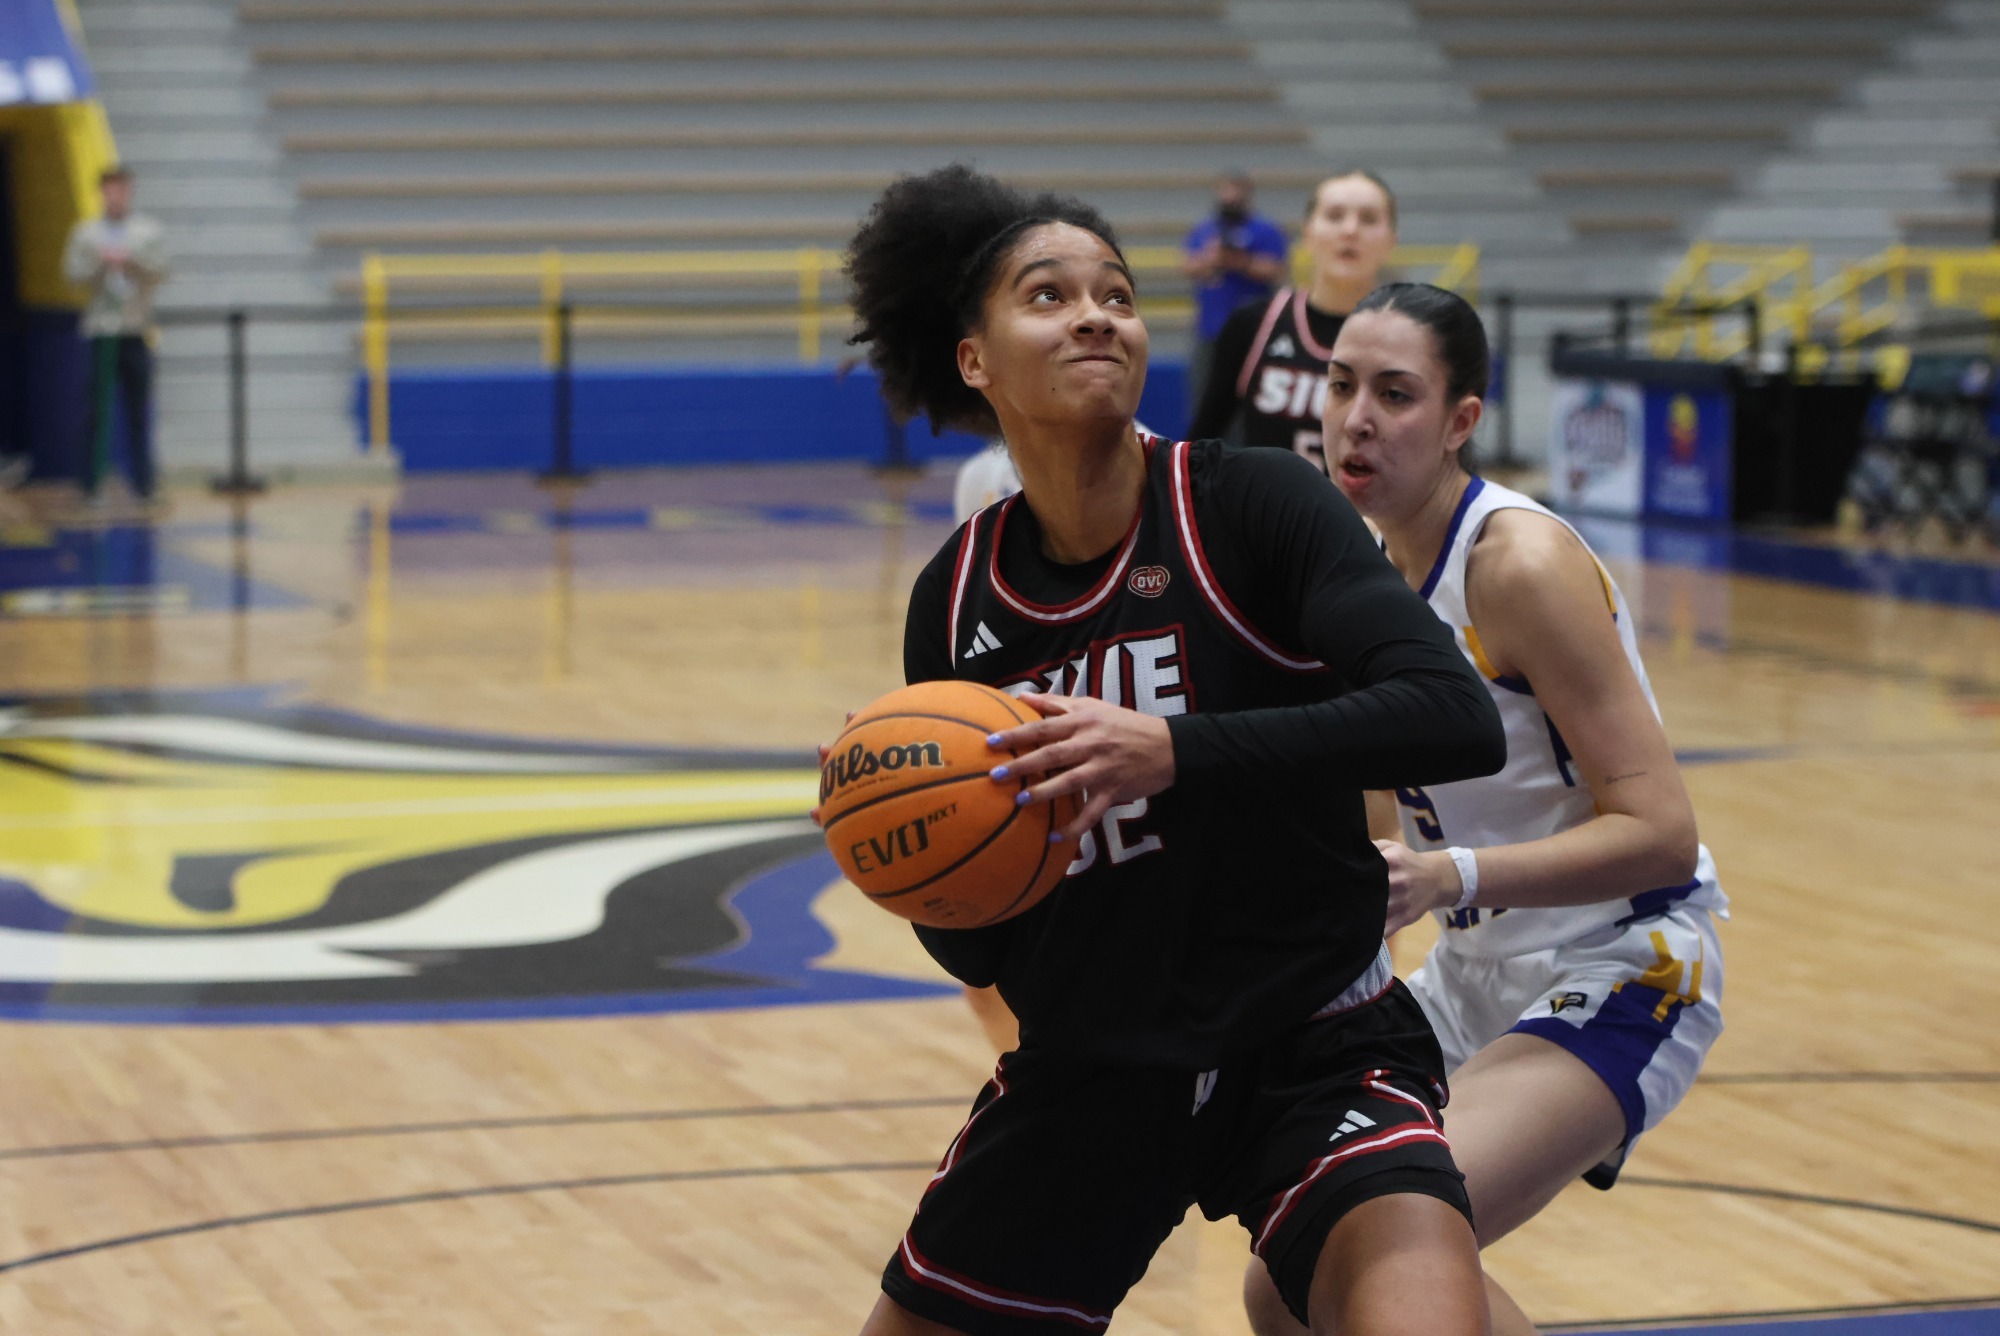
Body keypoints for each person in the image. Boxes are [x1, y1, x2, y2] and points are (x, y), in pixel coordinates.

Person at [836, 163, 1506, 1336]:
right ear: (973, 359)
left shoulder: (1248, 504)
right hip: (1095, 1059)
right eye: (1047, 295)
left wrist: (1174, 749)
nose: (1096, 312)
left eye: (1118, 293)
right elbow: (978, 940)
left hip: (1315, 1037)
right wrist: (898, 841)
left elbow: (1451, 713)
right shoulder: (956, 599)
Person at [1240, 284, 1728, 1336]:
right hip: (1471, 971)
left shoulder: (1516, 562)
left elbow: (1661, 833)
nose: (1355, 416)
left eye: (1394, 393)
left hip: (1622, 960)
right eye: (1338, 384)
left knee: (1377, 1236)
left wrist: (1445, 875)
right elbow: (1381, 817)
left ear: (1461, 420)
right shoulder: (1357, 569)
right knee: (1287, 1277)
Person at [1188, 172, 1397, 462]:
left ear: (1391, 238)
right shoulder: (1254, 324)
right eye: (1335, 216)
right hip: (1263, 507)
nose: (1350, 230)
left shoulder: (1412, 339)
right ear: (1308, 232)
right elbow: (1199, 448)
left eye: (1369, 219)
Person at [62, 165, 168, 502]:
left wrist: (132, 262)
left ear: (130, 192)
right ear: (101, 192)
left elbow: (160, 271)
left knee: (139, 409)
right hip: (100, 329)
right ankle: (91, 484)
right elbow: (72, 273)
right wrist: (100, 263)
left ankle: (144, 484)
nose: (116, 196)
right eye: (110, 189)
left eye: (121, 189)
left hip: (134, 328)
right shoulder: (87, 233)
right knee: (95, 410)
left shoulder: (147, 232)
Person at [1181, 169, 1288, 415]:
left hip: (1252, 331)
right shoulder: (1206, 230)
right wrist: (1209, 259)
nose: (1228, 198)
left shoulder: (1264, 230)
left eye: (1234, 192)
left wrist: (1238, 261)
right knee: (1204, 397)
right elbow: (1187, 265)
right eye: (1224, 191)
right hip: (1210, 329)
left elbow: (1275, 269)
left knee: (1248, 400)